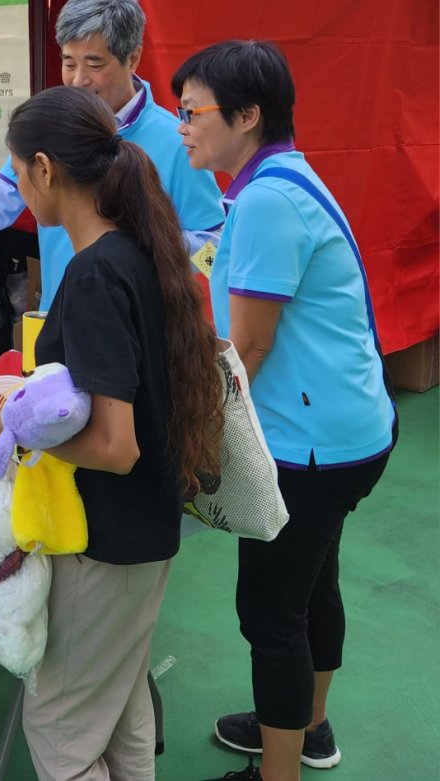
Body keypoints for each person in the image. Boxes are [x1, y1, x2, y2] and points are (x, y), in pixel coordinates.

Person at [0, 86, 224, 781]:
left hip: (103, 541)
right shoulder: (133, 253)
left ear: (44, 169)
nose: (15, 190)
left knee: (60, 731)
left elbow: (114, 443)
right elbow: (54, 404)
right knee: (123, 713)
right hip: (141, 532)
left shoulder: (95, 274)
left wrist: (19, 444)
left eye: (15, 174)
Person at [172, 42, 395, 781]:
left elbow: (247, 348)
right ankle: (308, 727)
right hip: (349, 430)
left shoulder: (268, 198)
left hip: (310, 446)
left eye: (192, 110)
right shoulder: (279, 180)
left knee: (269, 612)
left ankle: (278, 772)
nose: (183, 126)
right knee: (311, 582)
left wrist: (192, 439)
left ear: (247, 114)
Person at [0, 0, 224, 310]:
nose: (78, 80)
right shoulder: (52, 124)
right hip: (60, 321)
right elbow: (2, 193)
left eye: (94, 64)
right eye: (69, 63)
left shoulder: (177, 141)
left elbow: (215, 250)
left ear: (133, 58)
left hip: (139, 332)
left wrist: (150, 244)